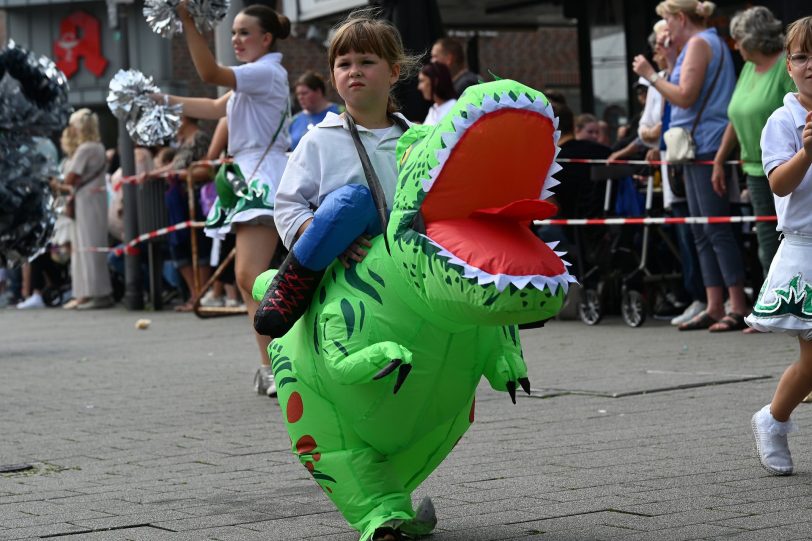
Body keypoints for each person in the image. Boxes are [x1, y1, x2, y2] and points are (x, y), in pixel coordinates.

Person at [255, 12, 418, 360]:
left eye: (367, 61)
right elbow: (287, 207)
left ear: (393, 72)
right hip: (349, 280)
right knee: (350, 202)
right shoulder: (319, 141)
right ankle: (290, 284)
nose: (354, 70)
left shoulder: (419, 140)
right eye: (343, 63)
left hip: (407, 274)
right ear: (333, 76)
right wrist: (327, 237)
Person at [158, 2, 291, 396]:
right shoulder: (255, 78)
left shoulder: (265, 72)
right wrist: (160, 99)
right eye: (233, 32)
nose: (236, 39)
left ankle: (285, 357)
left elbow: (209, 74)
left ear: (266, 38)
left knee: (250, 276)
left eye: (244, 32)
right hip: (252, 176)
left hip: (263, 178)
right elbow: (217, 107)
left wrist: (186, 21)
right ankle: (275, 364)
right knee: (250, 277)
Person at [634, 0, 746, 333]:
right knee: (701, 228)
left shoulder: (699, 44)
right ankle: (715, 304)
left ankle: (735, 304)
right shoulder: (703, 43)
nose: (666, 28)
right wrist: (669, 60)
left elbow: (684, 96)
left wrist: (650, 75)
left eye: (668, 20)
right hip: (698, 145)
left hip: (703, 145)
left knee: (713, 227)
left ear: (682, 18)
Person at [747, 15, 812, 476]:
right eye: (803, 56)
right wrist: (807, 152)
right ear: (788, 66)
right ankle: (774, 418)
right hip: (806, 249)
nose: (811, 65)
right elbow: (779, 183)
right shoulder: (783, 119)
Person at [713, 6, 794, 291]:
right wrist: (720, 159)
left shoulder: (786, 65)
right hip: (755, 168)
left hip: (790, 167)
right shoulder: (748, 68)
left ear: (753, 39)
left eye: (737, 39)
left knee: (794, 239)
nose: (734, 46)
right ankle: (771, 303)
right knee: (767, 242)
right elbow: (736, 116)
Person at [62, 109, 114, 310]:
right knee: (89, 245)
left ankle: (93, 293)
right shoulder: (98, 147)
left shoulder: (85, 149)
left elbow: (71, 177)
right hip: (93, 197)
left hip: (85, 198)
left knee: (86, 246)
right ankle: (86, 293)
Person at [289, 71, 341, 151]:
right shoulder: (294, 120)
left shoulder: (340, 113)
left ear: (318, 92)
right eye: (298, 94)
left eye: (304, 93)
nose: (300, 97)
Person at [417, 61, 457, 125]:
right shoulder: (433, 109)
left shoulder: (453, 107)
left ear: (435, 81)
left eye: (422, 81)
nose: (419, 87)